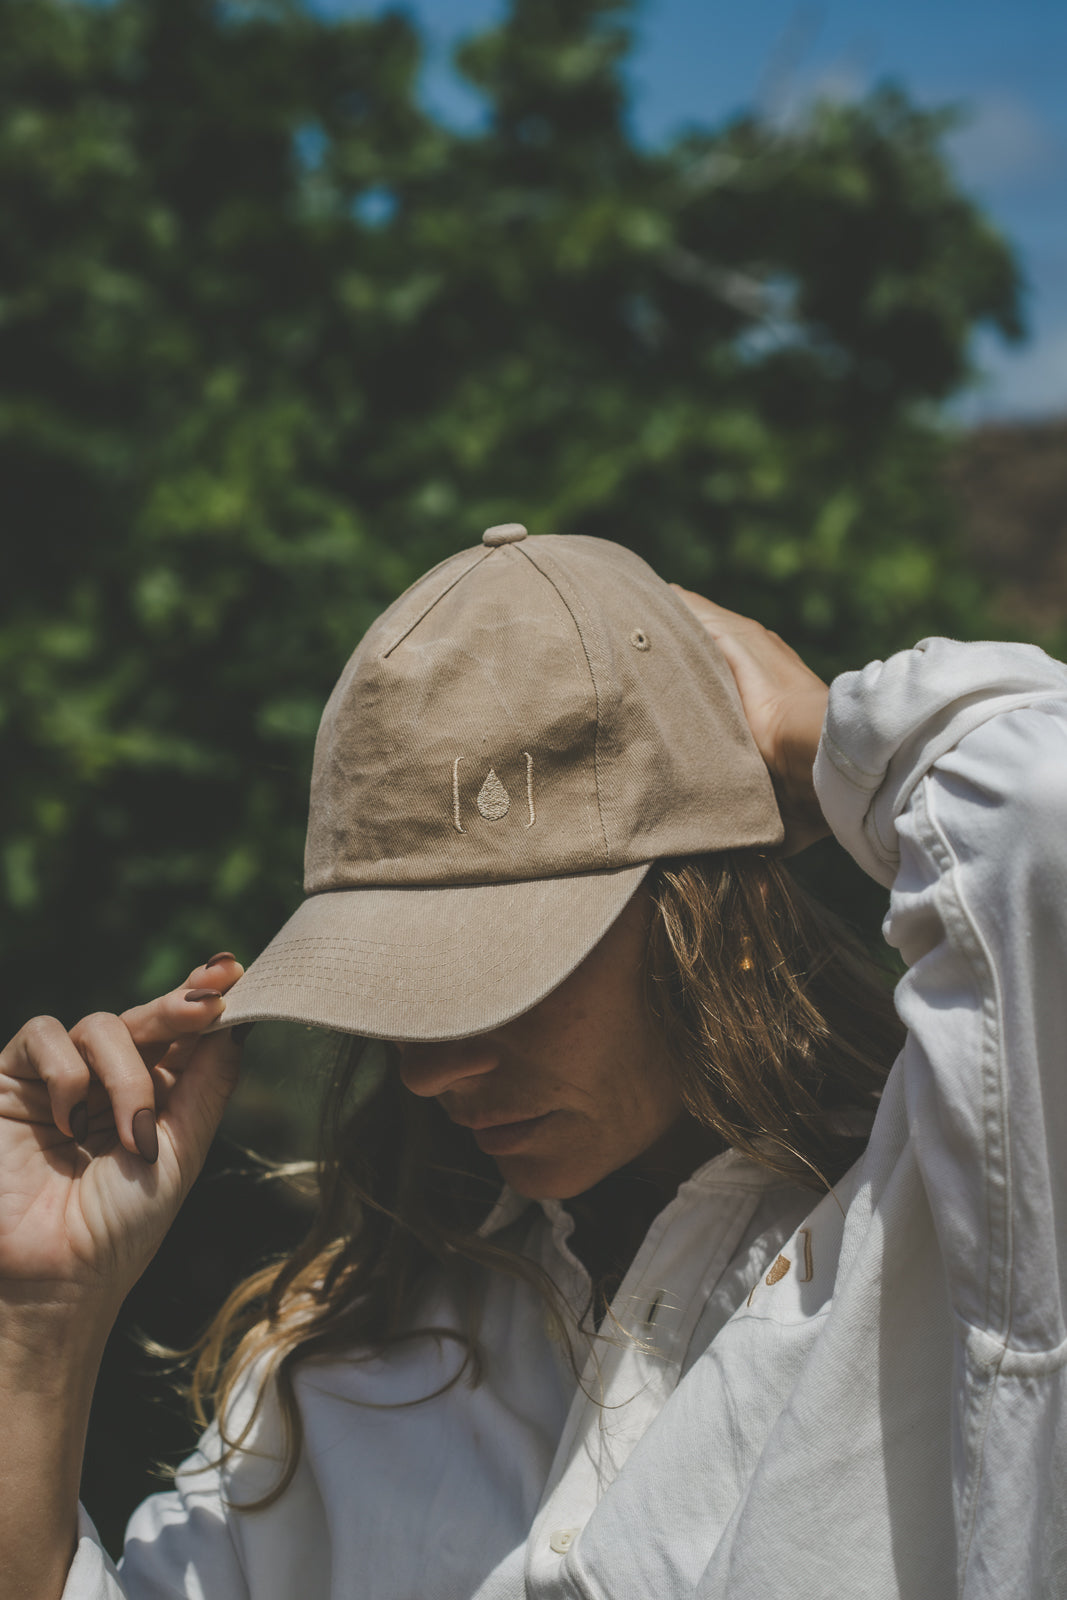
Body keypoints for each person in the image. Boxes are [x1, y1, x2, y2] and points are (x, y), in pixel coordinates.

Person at [2, 525, 1066, 1600]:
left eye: (502, 976)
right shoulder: (345, 1370)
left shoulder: (960, 1223)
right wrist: (34, 1321)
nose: (426, 1073)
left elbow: (1040, 815)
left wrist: (808, 733)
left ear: (701, 914)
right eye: (395, 995)